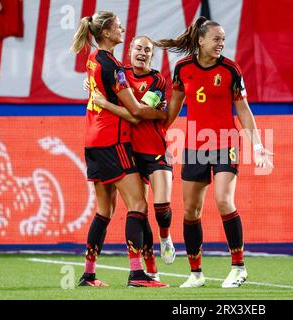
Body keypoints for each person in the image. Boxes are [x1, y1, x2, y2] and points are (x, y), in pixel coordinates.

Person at [155, 16, 273, 288]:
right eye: (216, 39)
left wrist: (257, 145)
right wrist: (156, 134)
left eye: (223, 39)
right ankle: (196, 273)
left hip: (226, 143)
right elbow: (173, 106)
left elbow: (243, 108)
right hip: (195, 145)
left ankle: (239, 267)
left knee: (223, 201)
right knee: (191, 211)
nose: (221, 43)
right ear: (201, 40)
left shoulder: (231, 69)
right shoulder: (182, 68)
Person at [71, 11, 168, 288]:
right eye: (117, 26)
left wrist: (100, 100)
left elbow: (98, 93)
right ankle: (137, 274)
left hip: (92, 142)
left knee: (104, 211)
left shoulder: (93, 59)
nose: (122, 28)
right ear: (105, 33)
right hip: (113, 142)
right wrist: (162, 114)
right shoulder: (113, 66)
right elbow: (136, 113)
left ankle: (89, 274)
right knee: (138, 205)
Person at [92, 36, 176, 280]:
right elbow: (139, 110)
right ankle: (150, 270)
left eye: (147, 50)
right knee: (140, 211)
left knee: (162, 206)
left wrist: (109, 104)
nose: (142, 53)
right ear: (129, 50)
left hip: (155, 148)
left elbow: (137, 112)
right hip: (130, 151)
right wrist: (155, 112)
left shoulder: (157, 79)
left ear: (152, 55)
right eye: (138, 48)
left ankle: (165, 236)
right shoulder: (119, 73)